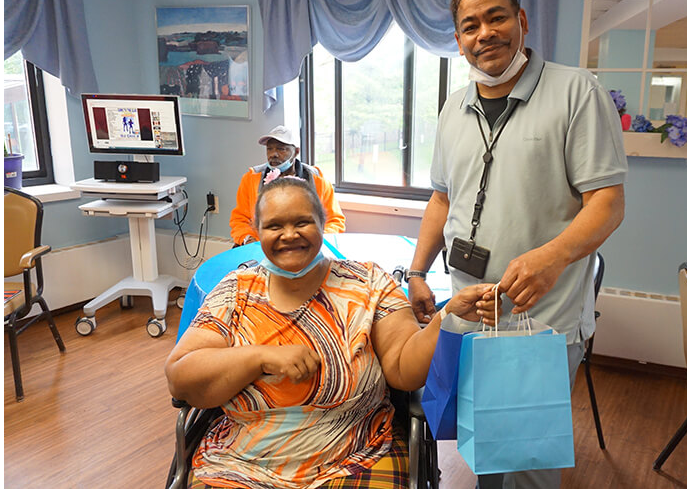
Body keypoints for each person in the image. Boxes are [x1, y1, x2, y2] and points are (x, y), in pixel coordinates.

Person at [405, 0, 627, 488]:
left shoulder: (576, 91)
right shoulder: (453, 107)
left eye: (497, 17)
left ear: (521, 22)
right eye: (470, 26)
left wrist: (551, 258)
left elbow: (608, 203)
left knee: (525, 463)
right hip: (467, 309)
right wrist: (417, 271)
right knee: (479, 445)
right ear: (458, 40)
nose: (485, 33)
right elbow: (442, 198)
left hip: (537, 320)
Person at [167, 177, 499, 489]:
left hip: (356, 454)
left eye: (301, 222)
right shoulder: (235, 292)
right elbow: (181, 376)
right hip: (241, 462)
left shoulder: (369, 284)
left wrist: (447, 318)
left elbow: (402, 369)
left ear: (323, 221)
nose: (289, 234)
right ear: (257, 231)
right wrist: (261, 357)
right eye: (274, 226)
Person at [229, 125, 345, 246]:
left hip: (307, 246)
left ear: (296, 152)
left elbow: (335, 220)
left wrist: (318, 241)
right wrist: (248, 239)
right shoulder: (251, 178)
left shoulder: (317, 180)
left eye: (281, 149)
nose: (273, 154)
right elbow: (239, 219)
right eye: (269, 149)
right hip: (261, 246)